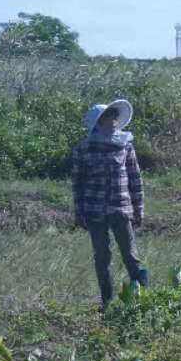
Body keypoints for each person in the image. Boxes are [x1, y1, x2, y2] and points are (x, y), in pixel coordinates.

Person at [70, 99, 149, 307]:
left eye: (115, 115)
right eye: (109, 116)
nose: (114, 120)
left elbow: (135, 179)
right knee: (102, 258)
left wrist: (139, 210)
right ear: (98, 122)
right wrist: (79, 212)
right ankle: (107, 302)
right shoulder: (84, 149)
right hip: (94, 211)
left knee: (131, 256)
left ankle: (142, 299)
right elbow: (77, 183)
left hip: (121, 209)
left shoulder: (125, 146)